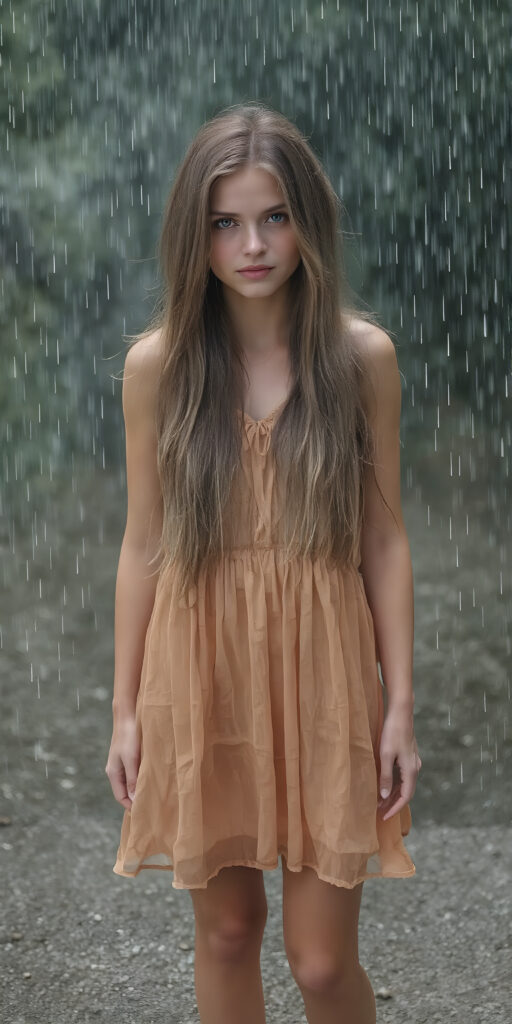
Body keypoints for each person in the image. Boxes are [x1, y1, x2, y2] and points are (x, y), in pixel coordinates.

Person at [105, 102, 422, 1024]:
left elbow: (385, 539)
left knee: (322, 963)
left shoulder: (362, 359)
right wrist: (125, 711)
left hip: (324, 667)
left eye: (274, 216)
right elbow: (144, 544)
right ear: (193, 232)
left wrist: (398, 704)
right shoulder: (159, 367)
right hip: (200, 666)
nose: (253, 244)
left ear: (308, 223)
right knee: (230, 931)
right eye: (226, 221)